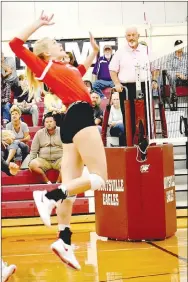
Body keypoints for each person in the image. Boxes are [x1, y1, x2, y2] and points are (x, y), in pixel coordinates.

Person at [9, 11, 107, 270]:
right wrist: (38, 24)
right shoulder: (45, 67)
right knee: (99, 178)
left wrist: (94, 52)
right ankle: (48, 195)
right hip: (81, 114)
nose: (59, 45)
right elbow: (15, 44)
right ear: (45, 54)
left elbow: (81, 70)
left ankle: (63, 240)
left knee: (71, 188)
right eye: (54, 43)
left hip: (70, 123)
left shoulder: (66, 69)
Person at [109, 26, 150, 145]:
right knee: (128, 117)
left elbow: (155, 67)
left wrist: (153, 81)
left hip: (144, 86)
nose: (131, 38)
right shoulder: (120, 52)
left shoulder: (146, 50)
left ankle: (145, 142)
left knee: (145, 115)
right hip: (126, 89)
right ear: (126, 37)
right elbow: (112, 70)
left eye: (133, 35)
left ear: (138, 35)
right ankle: (131, 143)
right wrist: (116, 83)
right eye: (128, 35)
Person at [29, 113, 63, 184]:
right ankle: (47, 182)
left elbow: (68, 147)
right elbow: (33, 150)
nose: (49, 124)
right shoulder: (39, 133)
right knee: (32, 164)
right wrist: (31, 161)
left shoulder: (62, 131)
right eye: (46, 122)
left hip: (59, 159)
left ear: (55, 122)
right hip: (44, 160)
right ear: (44, 123)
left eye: (50, 121)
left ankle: (58, 182)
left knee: (67, 164)